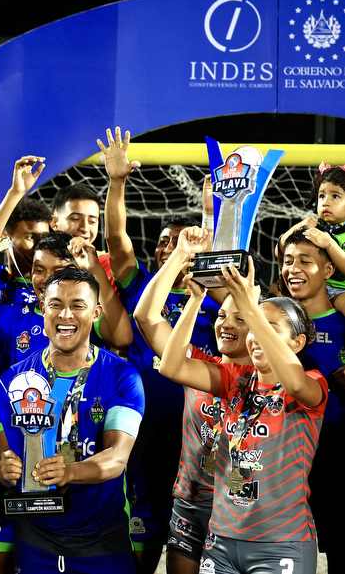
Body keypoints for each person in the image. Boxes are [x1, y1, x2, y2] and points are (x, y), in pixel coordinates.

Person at [100, 126, 219, 572]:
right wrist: (117, 183)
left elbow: (225, 252)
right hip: (144, 426)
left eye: (180, 240)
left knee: (194, 540)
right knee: (143, 533)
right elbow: (117, 240)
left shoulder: (215, 295)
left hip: (199, 433)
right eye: (164, 241)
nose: (171, 246)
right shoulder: (141, 287)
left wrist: (213, 212)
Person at [159, 260, 327, 574]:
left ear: (298, 342)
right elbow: (172, 366)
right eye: (255, 327)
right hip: (221, 540)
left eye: (270, 327)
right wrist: (195, 301)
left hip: (280, 543)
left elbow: (293, 382)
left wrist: (251, 308)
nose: (256, 336)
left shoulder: (311, 384)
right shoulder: (235, 378)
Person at [0, 266, 144, 574]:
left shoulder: (121, 375)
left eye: (78, 305)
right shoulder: (14, 379)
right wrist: (5, 469)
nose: (65, 315)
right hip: (36, 538)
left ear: (96, 312)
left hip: (101, 540)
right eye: (56, 304)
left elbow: (117, 457)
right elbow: (4, 456)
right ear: (42, 308)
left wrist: (69, 472)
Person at [133, 226, 253, 574]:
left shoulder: (273, 380)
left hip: (240, 507)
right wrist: (180, 256)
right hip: (189, 504)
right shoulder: (200, 367)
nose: (226, 325)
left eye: (240, 318)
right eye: (221, 316)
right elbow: (146, 317)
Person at [0, 231, 132, 376]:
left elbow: (122, 339)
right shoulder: (14, 311)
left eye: (59, 271)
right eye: (39, 270)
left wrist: (95, 269)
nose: (47, 279)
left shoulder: (85, 311)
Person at [279, 229, 345, 573]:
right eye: (288, 261)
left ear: (328, 270)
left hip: (335, 450)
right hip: (283, 452)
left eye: (305, 261)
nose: (293, 269)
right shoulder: (273, 320)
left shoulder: (342, 317)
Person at [0, 156, 50, 307]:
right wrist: (15, 193)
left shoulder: (54, 286)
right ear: (5, 237)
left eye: (44, 238)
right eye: (30, 237)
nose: (39, 245)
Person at [278, 163, 345, 314]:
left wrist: (329, 244)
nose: (325, 202)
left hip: (340, 291)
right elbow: (280, 251)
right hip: (312, 287)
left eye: (335, 196)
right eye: (321, 196)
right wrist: (298, 227)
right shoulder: (314, 228)